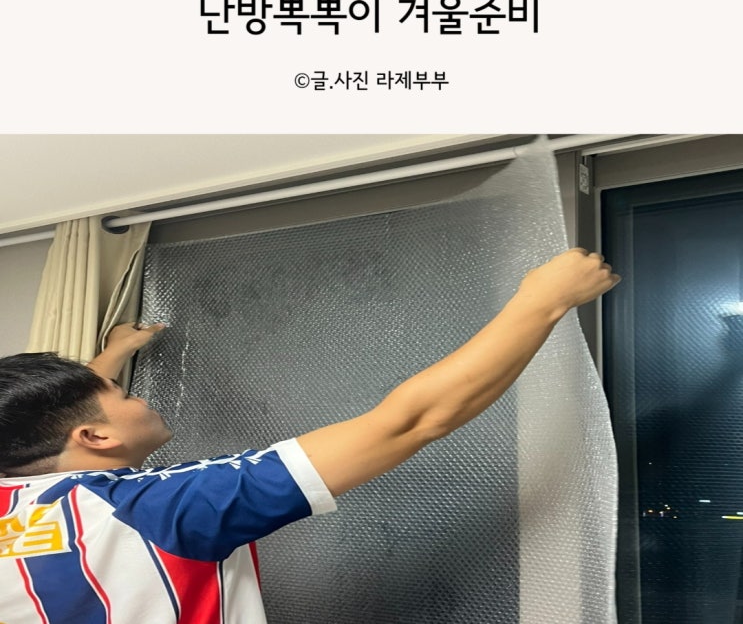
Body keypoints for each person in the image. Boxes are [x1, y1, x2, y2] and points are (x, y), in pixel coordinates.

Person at [0, 248, 619, 623]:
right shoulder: (165, 507)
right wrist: (543, 300)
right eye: (123, 394)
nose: (139, 397)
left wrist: (108, 359)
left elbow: (60, 439)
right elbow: (411, 421)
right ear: (93, 435)